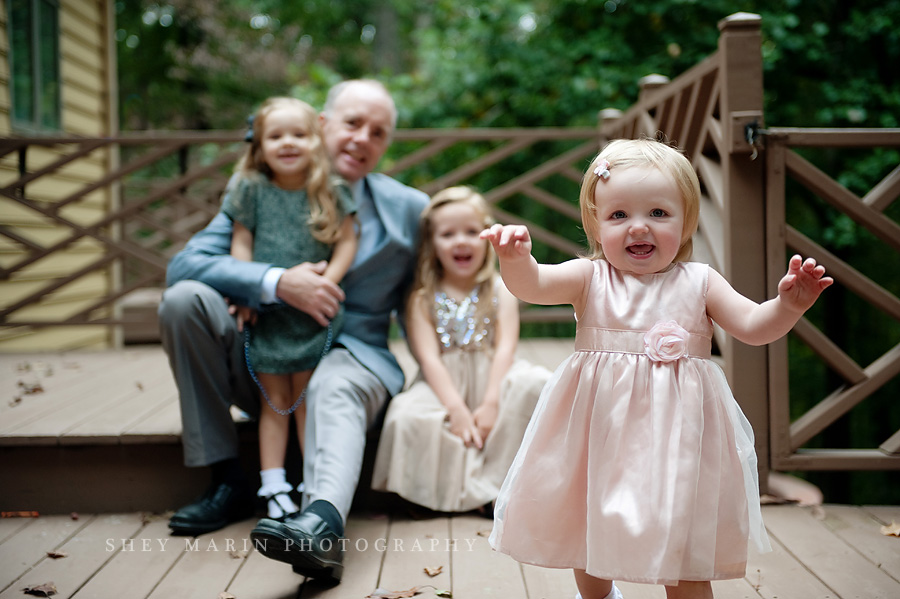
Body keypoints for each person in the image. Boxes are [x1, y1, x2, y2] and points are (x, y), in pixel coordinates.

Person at [481, 138, 833, 599]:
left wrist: (787, 306)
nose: (638, 228)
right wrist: (515, 260)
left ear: (686, 220)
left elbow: (752, 327)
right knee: (589, 522)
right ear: (597, 223)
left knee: (684, 536)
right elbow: (535, 285)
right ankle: (599, 596)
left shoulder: (700, 282)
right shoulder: (590, 277)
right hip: (599, 432)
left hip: (679, 441)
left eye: (658, 214)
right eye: (619, 215)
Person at [160, 79, 429, 584]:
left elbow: (433, 296)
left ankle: (320, 523)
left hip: (352, 355)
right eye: (352, 123)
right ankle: (224, 476)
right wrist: (273, 282)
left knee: (331, 381)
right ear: (322, 126)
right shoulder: (260, 191)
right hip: (266, 348)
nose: (362, 139)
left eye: (378, 132)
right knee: (184, 300)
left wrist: (452, 387)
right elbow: (184, 265)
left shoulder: (410, 209)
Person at [371, 187, 549, 514]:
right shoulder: (422, 296)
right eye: (448, 234)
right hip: (443, 384)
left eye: (471, 231)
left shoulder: (501, 287)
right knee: (405, 416)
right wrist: (455, 408)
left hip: (494, 375)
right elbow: (428, 358)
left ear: (488, 238)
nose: (461, 241)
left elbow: (506, 346)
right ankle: (436, 493)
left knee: (536, 385)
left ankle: (500, 485)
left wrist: (492, 402)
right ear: (431, 244)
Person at [223, 96, 357, 521]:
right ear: (259, 145)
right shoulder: (250, 189)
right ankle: (274, 485)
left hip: (314, 312)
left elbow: (346, 241)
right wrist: (246, 290)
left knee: (306, 399)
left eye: (298, 134)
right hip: (269, 311)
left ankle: (313, 486)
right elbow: (241, 242)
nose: (287, 143)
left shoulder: (331, 188)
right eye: (275, 135)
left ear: (316, 139)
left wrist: (327, 283)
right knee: (274, 401)